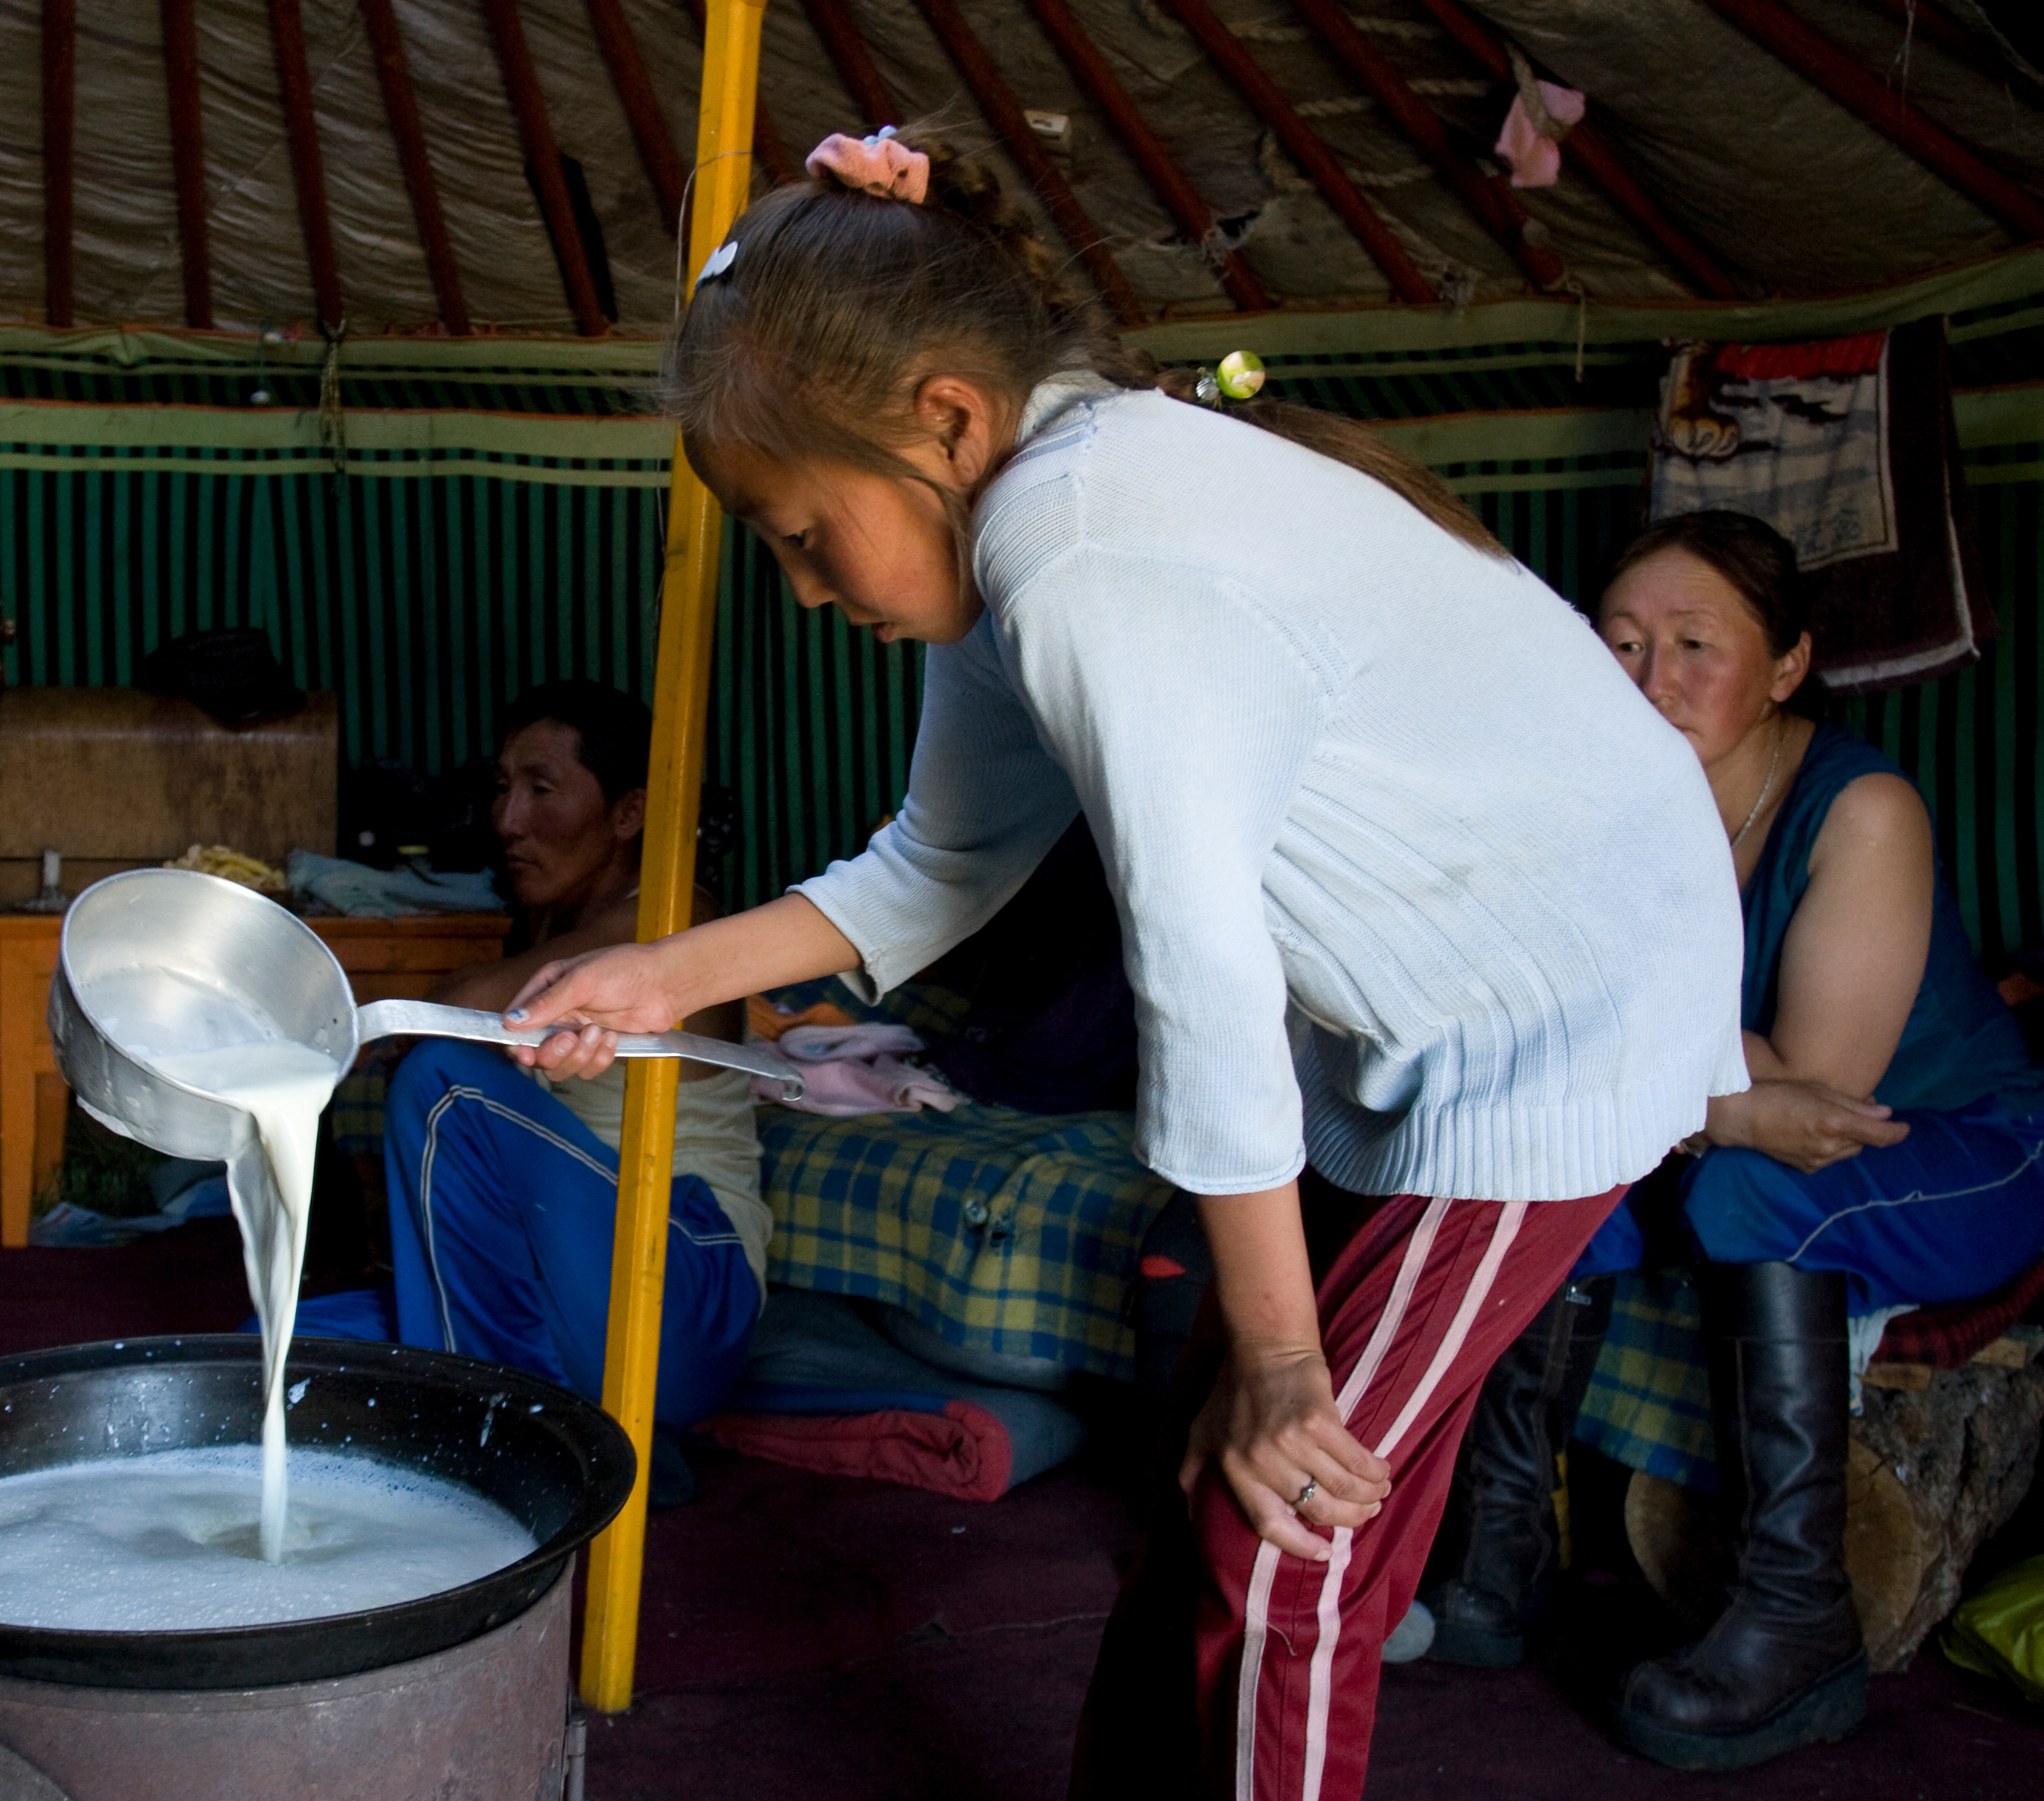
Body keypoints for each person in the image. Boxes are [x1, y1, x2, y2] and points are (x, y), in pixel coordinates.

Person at [497, 128, 1746, 1801]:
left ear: (944, 417)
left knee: (1289, 1528)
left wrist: (1282, 1360)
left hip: (1554, 1017)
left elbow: (1201, 968)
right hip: (1431, 1010)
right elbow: (941, 861)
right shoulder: (1030, 506)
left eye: (803, 534)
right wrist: (660, 978)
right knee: (1220, 1478)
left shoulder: (1083, 548)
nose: (800, 591)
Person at [1533, 510, 2043, 1770]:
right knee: (1548, 1175)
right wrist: (1699, 1093)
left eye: (1694, 644)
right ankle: (1499, 1563)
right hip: (1758, 1132)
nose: (1649, 680)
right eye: (1620, 643)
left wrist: (1646, 1073)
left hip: (1965, 1147)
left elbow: (1814, 1099)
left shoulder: (1858, 807)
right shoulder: (1604, 809)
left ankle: (1798, 1618)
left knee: (1749, 1190)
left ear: (1786, 663)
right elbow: (1536, 1031)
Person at [295, 680, 766, 1464]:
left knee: (446, 1083)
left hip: (682, 1287)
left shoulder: (673, 917)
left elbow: (460, 1012)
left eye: (541, 790)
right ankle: (537, 1426)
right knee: (276, 1354)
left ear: (628, 813)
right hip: (560, 1291)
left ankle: (509, 1448)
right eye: (502, 788)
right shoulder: (558, 922)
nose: (507, 819)